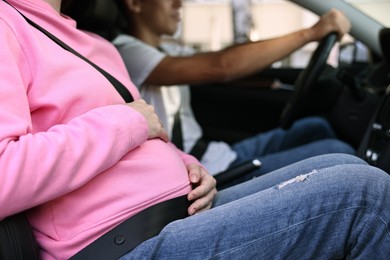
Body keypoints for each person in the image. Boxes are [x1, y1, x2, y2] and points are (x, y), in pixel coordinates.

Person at [1, 0, 390, 259]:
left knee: (338, 160)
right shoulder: (7, 26)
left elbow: (149, 135)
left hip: (181, 210)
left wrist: (189, 168)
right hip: (120, 243)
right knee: (365, 198)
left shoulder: (93, 44)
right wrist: (129, 121)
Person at [112, 0, 355, 186]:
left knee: (316, 127)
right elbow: (220, 66)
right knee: (339, 152)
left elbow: (229, 55)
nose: (179, 3)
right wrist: (311, 33)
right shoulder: (126, 51)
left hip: (213, 153)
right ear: (134, 3)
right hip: (205, 173)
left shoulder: (164, 50)